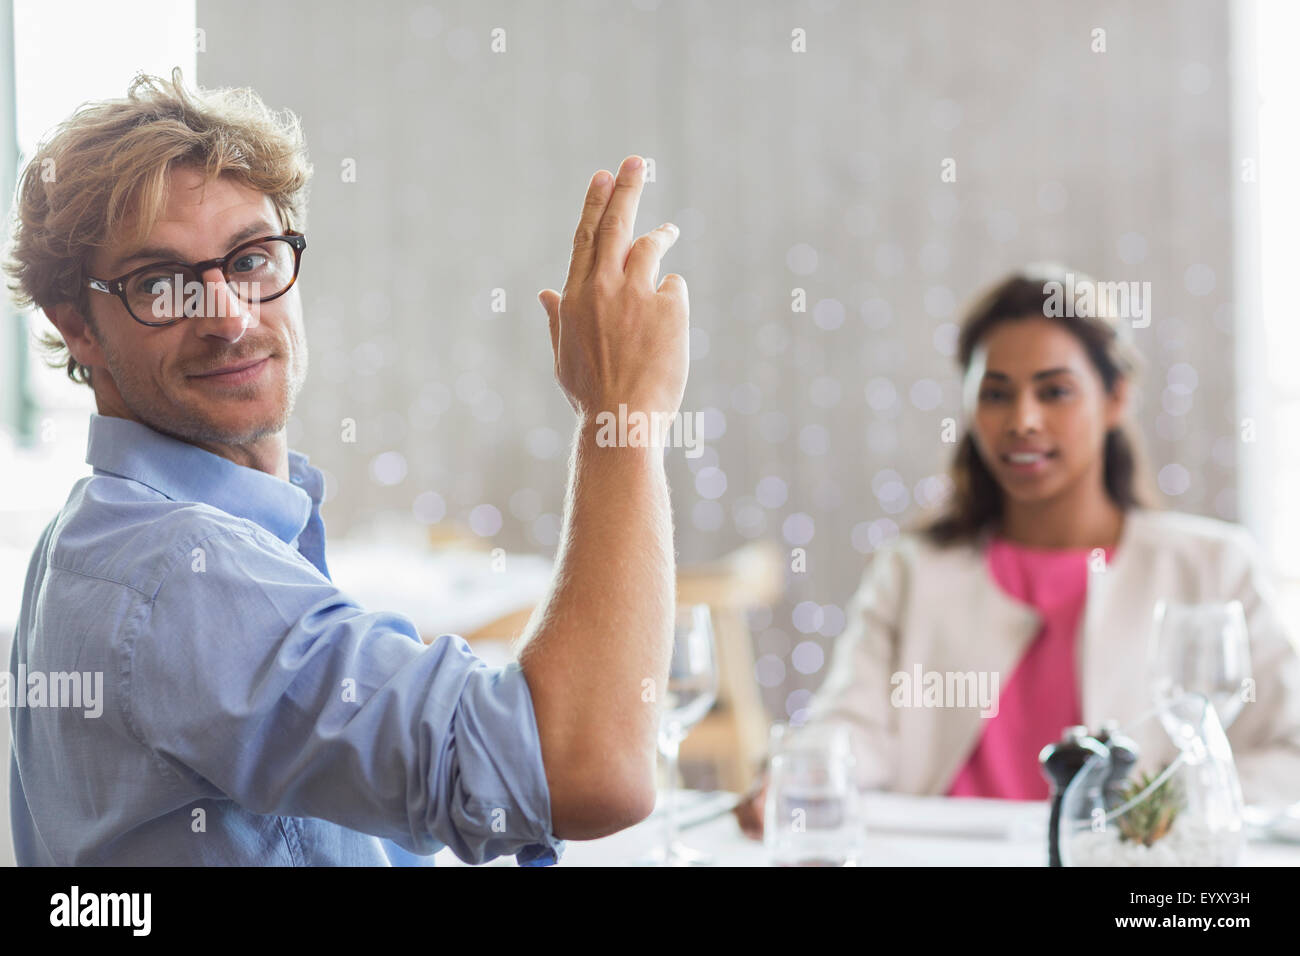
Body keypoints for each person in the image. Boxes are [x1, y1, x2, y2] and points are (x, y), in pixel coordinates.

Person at [5, 69, 690, 865]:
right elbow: (586, 770)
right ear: (78, 329)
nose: (226, 317)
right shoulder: (176, 573)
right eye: (160, 285)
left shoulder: (98, 535)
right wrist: (620, 415)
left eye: (251, 259)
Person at [737, 267, 1300, 837]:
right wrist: (799, 773)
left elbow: (1290, 753)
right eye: (996, 394)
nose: (1022, 421)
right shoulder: (914, 569)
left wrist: (1153, 813)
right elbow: (853, 725)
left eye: (1054, 392)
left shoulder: (1213, 566)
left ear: (1115, 398)